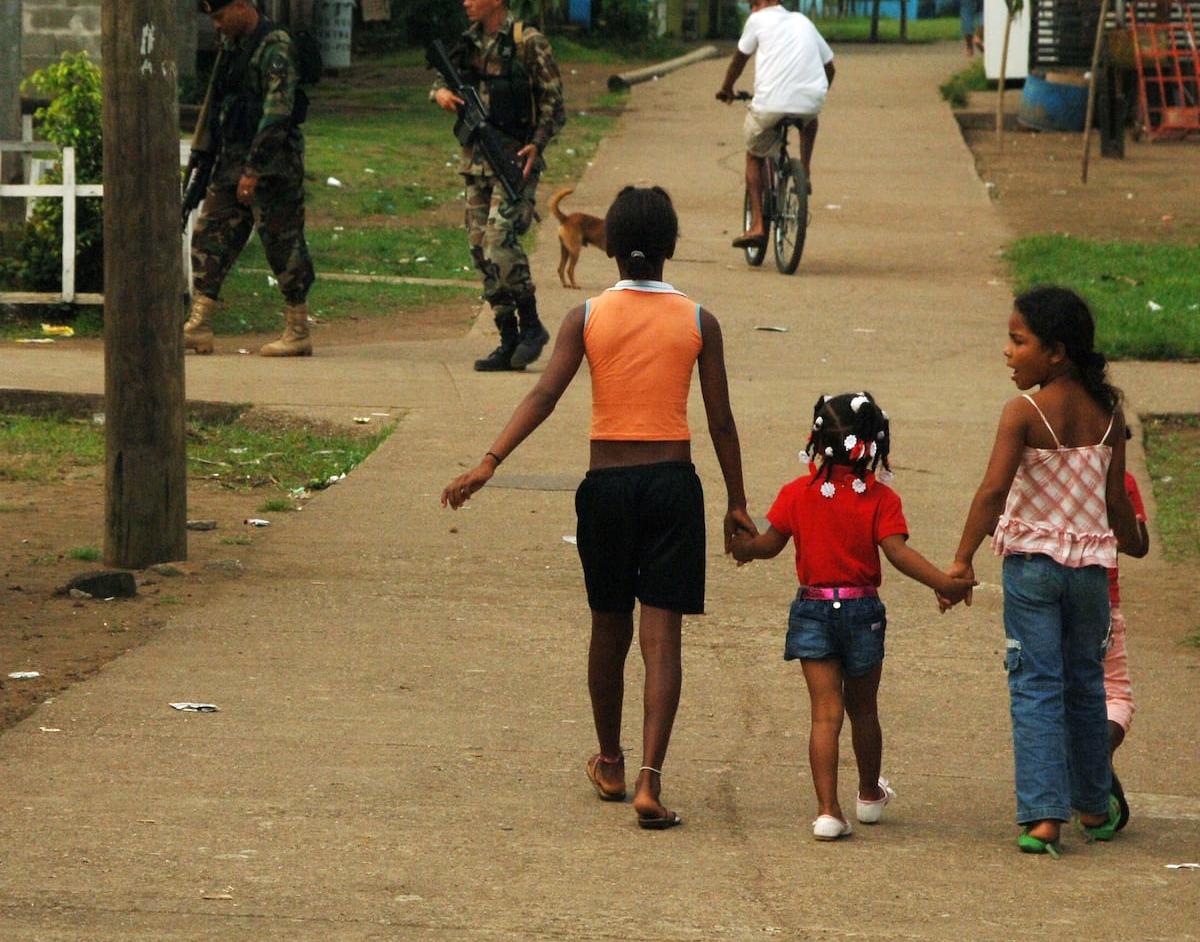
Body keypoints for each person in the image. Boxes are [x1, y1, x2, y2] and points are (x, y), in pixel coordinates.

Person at [441, 185, 751, 830]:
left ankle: (609, 761)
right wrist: (737, 503)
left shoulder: (586, 316)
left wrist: (489, 461)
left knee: (608, 627)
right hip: (671, 485)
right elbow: (720, 421)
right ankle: (649, 782)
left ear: (607, 247)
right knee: (662, 638)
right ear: (670, 247)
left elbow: (545, 395)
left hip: (606, 489)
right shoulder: (700, 320)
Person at [947, 286, 1142, 857]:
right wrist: (1134, 542)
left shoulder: (1024, 413)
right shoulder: (1108, 415)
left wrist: (961, 560)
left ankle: (1042, 817)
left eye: (1017, 340)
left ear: (1054, 351)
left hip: (1032, 571)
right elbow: (1115, 504)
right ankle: (1091, 804)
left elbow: (992, 493)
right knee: (1085, 686)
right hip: (1089, 576)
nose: (1008, 352)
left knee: (1035, 686)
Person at [731, 391, 971, 840]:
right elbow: (898, 554)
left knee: (825, 715)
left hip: (812, 608)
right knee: (864, 710)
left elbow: (765, 546)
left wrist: (740, 545)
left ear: (818, 440)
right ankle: (867, 795)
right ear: (873, 446)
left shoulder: (796, 494)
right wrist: (944, 582)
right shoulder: (881, 499)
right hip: (862, 610)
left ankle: (828, 811)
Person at [431, 0, 565, 372]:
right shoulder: (466, 42)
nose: (467, 3)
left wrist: (535, 145)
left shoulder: (529, 42)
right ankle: (507, 337)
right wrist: (439, 93)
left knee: (500, 243)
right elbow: (438, 76)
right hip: (475, 162)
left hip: (513, 162)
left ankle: (533, 324)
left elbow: (554, 106)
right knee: (479, 251)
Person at [184, 0, 315, 357]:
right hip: (232, 158)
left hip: (273, 164)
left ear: (243, 6)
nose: (217, 25)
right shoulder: (232, 47)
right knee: (209, 235)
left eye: (222, 16)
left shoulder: (275, 47)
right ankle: (200, 323)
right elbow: (218, 101)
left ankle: (298, 329)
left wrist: (254, 171)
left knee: (282, 244)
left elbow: (278, 113)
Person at [716, 0, 834, 248]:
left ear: (774, 1)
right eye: (751, 5)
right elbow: (830, 67)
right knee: (809, 120)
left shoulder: (757, 22)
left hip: (770, 104)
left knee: (754, 155)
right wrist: (816, 94)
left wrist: (726, 88)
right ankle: (804, 171)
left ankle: (757, 226)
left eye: (757, 2)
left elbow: (739, 58)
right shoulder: (804, 21)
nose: (753, 9)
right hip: (810, 100)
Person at [1106, 458, 1150, 829]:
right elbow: (1139, 545)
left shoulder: (1042, 463)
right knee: (1115, 694)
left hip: (1044, 601)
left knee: (1048, 689)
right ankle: (1096, 756)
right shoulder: (1122, 479)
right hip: (1102, 599)